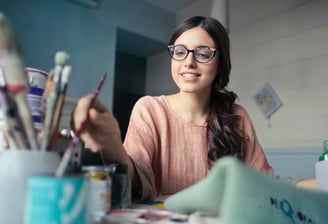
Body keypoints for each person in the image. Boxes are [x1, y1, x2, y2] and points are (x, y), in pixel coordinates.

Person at [72, 16, 274, 201]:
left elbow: (262, 183)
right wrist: (113, 143)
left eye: (203, 53)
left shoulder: (237, 116)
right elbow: (138, 182)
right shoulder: (149, 109)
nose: (189, 62)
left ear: (221, 64)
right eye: (179, 52)